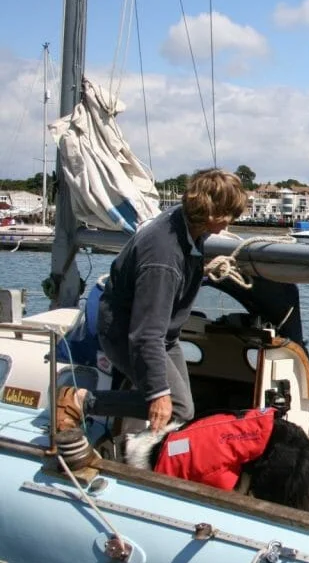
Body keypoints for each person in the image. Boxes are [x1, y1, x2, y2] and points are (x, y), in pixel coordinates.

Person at [56, 168, 248, 434]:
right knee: (177, 407)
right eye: (228, 216)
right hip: (127, 336)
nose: (229, 224)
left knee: (183, 407)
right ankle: (80, 401)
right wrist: (158, 393)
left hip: (162, 336)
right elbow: (145, 335)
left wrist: (197, 271)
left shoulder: (185, 225)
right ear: (209, 213)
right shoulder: (163, 258)